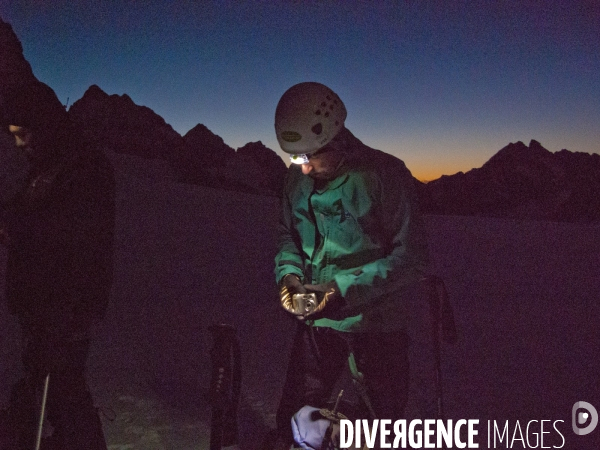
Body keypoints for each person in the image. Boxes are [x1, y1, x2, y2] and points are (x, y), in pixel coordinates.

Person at [273, 82, 430, 448]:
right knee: (296, 419)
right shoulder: (296, 178)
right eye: (296, 158)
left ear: (339, 138)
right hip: (318, 323)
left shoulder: (384, 176)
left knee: (378, 427)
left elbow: (411, 259)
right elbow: (288, 234)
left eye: (310, 155)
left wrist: (339, 290)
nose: (305, 168)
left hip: (378, 325)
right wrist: (290, 276)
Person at [0, 81, 114, 450]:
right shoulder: (47, 167)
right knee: (49, 385)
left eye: (24, 134)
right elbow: (29, 218)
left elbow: (74, 241)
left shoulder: (82, 168)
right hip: (41, 304)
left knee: (63, 389)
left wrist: (65, 315)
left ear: (44, 126)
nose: (19, 144)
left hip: (63, 308)